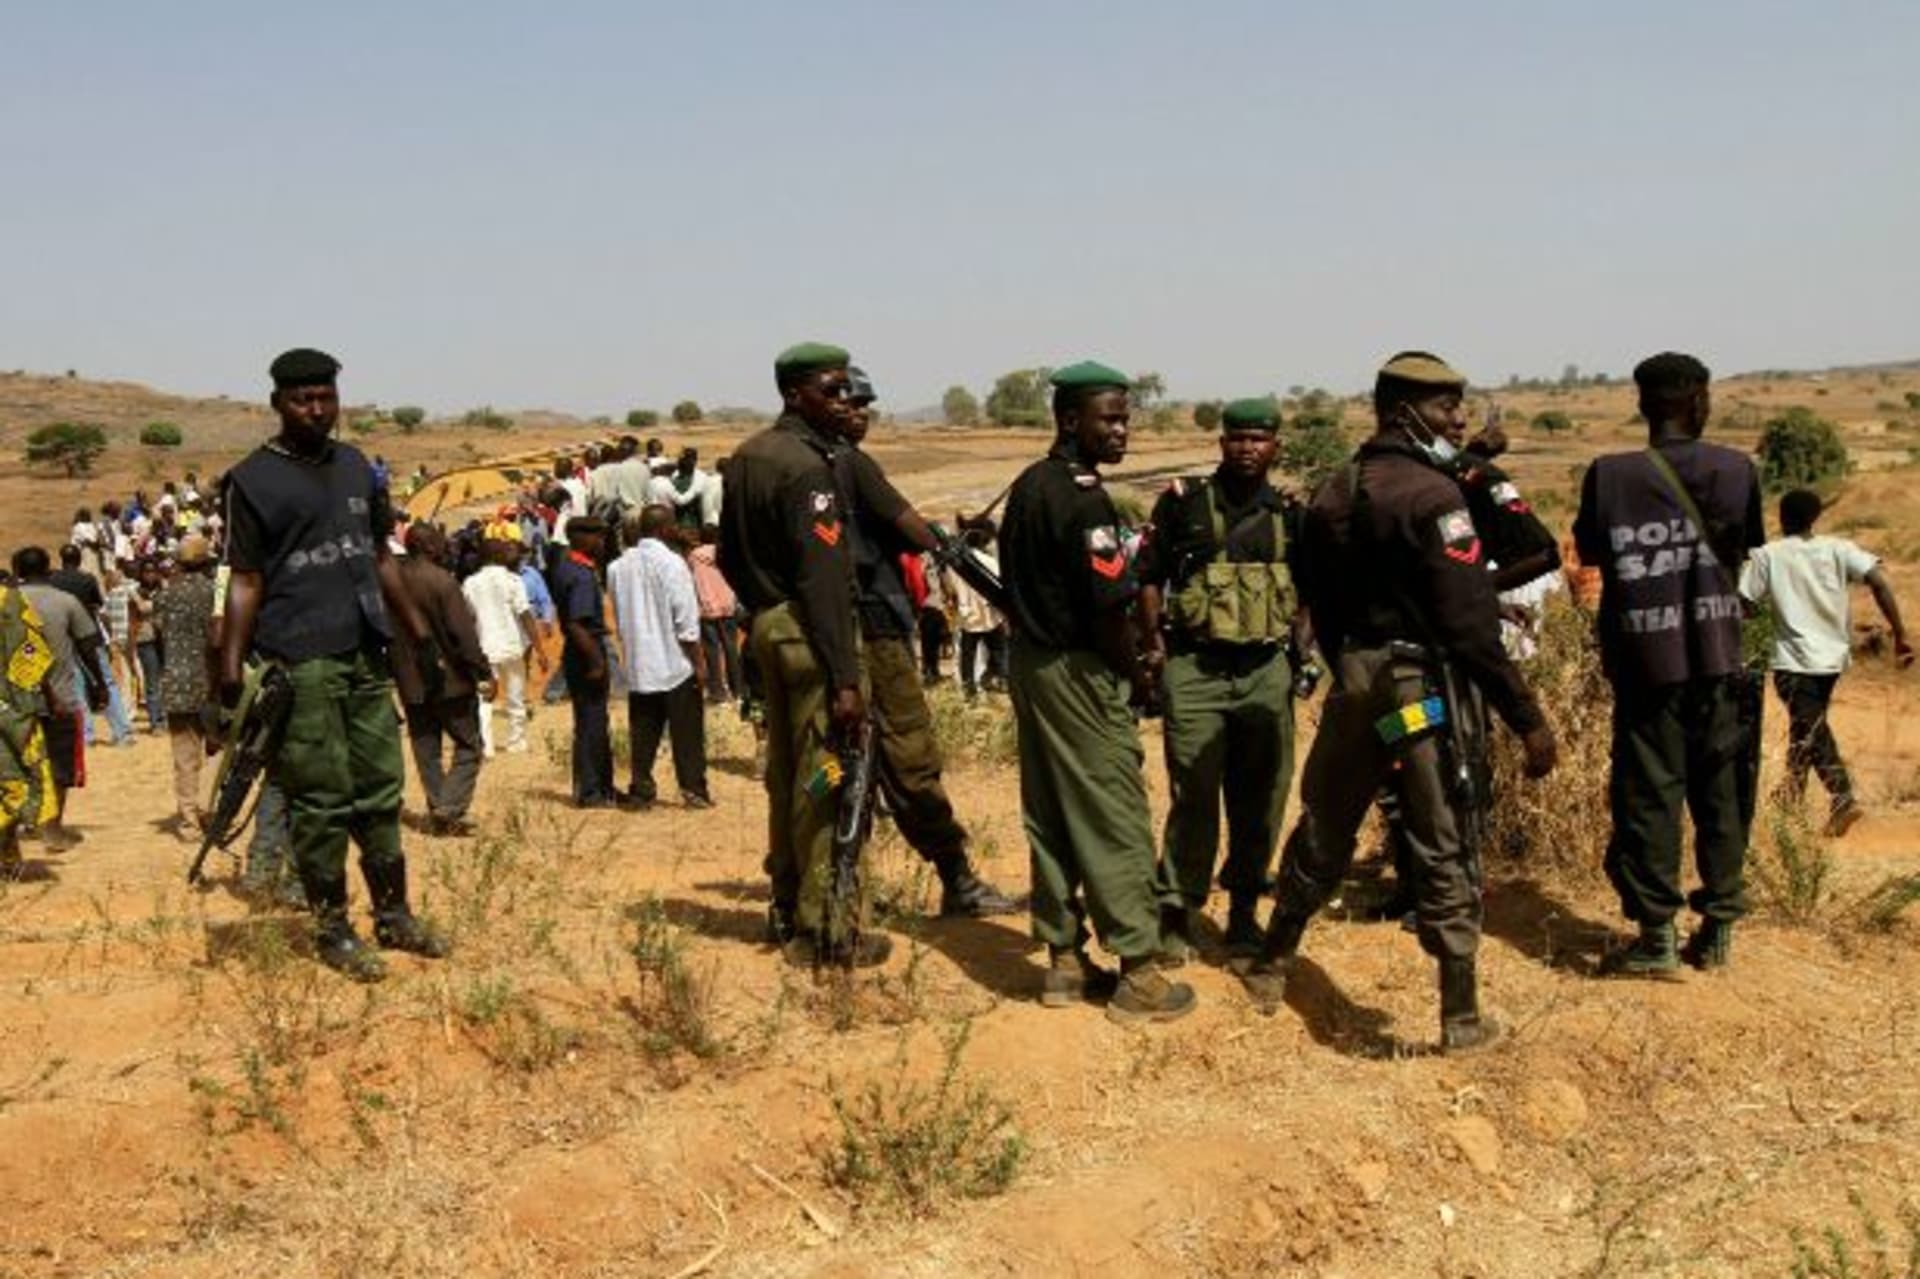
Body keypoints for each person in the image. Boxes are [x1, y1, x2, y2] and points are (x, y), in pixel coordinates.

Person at [1238, 352, 1558, 1053]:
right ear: (1403, 410)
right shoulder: (1434, 497)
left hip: (1356, 680)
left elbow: (1314, 597)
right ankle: (1462, 1017)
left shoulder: (1332, 490)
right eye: (1448, 407)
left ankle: (1271, 962)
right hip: (1420, 693)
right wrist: (1527, 718)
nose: (1460, 419)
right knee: (1443, 826)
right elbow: (1472, 626)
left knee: (1328, 816)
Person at [219, 347, 448, 981]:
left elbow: (379, 556)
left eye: (325, 397)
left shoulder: (355, 467)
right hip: (301, 661)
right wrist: (231, 668)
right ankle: (332, 929)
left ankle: (395, 915)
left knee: (380, 789)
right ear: (277, 404)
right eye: (302, 399)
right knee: (321, 800)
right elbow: (244, 580)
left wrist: (419, 633)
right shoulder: (250, 480)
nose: (316, 409)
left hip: (364, 653)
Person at [999, 361, 1195, 1023]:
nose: (1122, 431)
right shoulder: (1084, 498)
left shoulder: (1028, 486)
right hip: (1080, 668)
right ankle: (1139, 971)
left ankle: (1062, 955)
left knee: (1051, 808)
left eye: (1125, 417)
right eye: (1109, 418)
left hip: (1030, 663)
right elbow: (1110, 606)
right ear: (1069, 420)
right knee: (1114, 810)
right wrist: (1138, 673)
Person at [1572, 351, 1764, 975]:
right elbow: (1743, 550)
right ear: (1700, 401)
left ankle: (1655, 938)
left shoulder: (1609, 476)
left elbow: (1594, 554)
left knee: (1648, 796)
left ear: (1642, 404)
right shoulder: (1738, 470)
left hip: (1644, 662)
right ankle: (1717, 930)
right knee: (1721, 794)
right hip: (1718, 656)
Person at [718, 341, 884, 966]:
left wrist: (765, 609)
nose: (844, 401)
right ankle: (828, 925)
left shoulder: (747, 456)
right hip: (814, 639)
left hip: (768, 629)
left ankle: (786, 903)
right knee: (831, 777)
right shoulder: (808, 468)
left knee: (788, 776)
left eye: (846, 390)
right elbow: (821, 579)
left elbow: (729, 555)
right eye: (832, 390)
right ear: (795, 394)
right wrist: (845, 677)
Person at [832, 367, 1016, 918]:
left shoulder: (785, 466)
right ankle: (954, 877)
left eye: (866, 405)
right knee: (907, 757)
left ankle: (831, 885)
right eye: (849, 403)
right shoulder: (851, 464)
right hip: (876, 634)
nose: (860, 413)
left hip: (826, 635)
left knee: (832, 765)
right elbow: (916, 530)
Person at [1133, 396, 1307, 970]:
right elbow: (1149, 576)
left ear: (1275, 446)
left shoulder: (1289, 513)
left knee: (1262, 797)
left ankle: (1241, 915)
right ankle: (1178, 913)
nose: (1247, 448)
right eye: (1237, 438)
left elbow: (1311, 590)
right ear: (1221, 443)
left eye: (1259, 439)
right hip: (1196, 669)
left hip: (1264, 670)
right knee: (1195, 795)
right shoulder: (1183, 504)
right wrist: (1156, 647)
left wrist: (1302, 649)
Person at [1740, 488, 1911, 836]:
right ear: (1815, 518)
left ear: (1783, 517)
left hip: (1793, 659)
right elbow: (1879, 581)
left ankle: (1842, 797)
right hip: (1832, 658)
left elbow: (1744, 601)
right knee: (1807, 722)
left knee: (1812, 725)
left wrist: (1764, 613)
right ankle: (1792, 792)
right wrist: (1900, 633)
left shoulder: (1767, 556)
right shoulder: (1838, 549)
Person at [608, 506, 713, 809]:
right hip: (674, 662)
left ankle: (641, 789)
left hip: (640, 662)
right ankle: (693, 789)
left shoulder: (617, 567)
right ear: (665, 529)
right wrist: (700, 663)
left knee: (643, 730)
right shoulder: (672, 564)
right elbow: (686, 622)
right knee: (687, 732)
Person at [391, 523, 491, 836]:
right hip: (449, 679)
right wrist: (482, 671)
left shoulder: (391, 580)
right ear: (430, 546)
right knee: (469, 745)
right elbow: (463, 635)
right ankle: (449, 807)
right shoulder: (442, 582)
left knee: (426, 749)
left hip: (409, 679)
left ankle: (439, 809)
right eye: (439, 541)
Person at [13, 547, 108, 850]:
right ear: (48, 568)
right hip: (61, 697)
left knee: (18, 763)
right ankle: (52, 829)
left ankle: (23, 823)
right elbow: (88, 645)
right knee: (59, 763)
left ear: (17, 570)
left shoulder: (6, 604)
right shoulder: (66, 602)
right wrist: (99, 685)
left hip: (14, 701)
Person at [154, 534, 219, 841]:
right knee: (220, 746)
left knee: (184, 756)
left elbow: (159, 631)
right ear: (207, 561)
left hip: (176, 681)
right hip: (213, 680)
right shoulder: (216, 593)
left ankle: (188, 821)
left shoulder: (165, 596)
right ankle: (208, 807)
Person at [551, 516, 617, 806]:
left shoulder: (568, 567)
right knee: (592, 723)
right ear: (581, 539)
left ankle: (602, 787)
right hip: (585, 650)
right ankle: (591, 792)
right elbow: (578, 625)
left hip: (580, 650)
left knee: (593, 722)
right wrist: (596, 662)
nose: (602, 544)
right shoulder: (579, 574)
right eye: (598, 538)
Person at [462, 522, 543, 756]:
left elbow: (468, 618)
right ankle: (516, 741)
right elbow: (525, 615)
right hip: (512, 646)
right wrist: (539, 648)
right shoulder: (513, 581)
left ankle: (486, 746)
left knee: (484, 698)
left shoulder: (470, 583)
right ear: (498, 556)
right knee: (515, 696)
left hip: (484, 647)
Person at [0, 580, 59, 873]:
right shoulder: (10, 603)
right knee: (13, 782)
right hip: (9, 711)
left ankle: (8, 858)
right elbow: (33, 654)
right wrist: (47, 697)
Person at [51, 544, 135, 746]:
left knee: (76, 686)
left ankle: (86, 736)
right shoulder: (87, 579)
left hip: (65, 638)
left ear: (61, 559)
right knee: (106, 681)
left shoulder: (53, 580)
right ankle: (122, 732)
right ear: (79, 560)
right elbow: (97, 604)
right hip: (90, 635)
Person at [950, 525, 1008, 698]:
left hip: (967, 616)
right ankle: (1001, 683)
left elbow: (950, 590)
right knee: (998, 650)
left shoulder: (956, 563)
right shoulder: (991, 562)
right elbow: (1000, 587)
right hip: (990, 614)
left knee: (968, 657)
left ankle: (969, 691)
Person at [689, 531, 742, 702]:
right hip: (727, 606)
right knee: (731, 648)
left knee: (711, 651)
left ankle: (717, 692)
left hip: (706, 608)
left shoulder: (693, 557)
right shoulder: (726, 554)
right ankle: (738, 689)